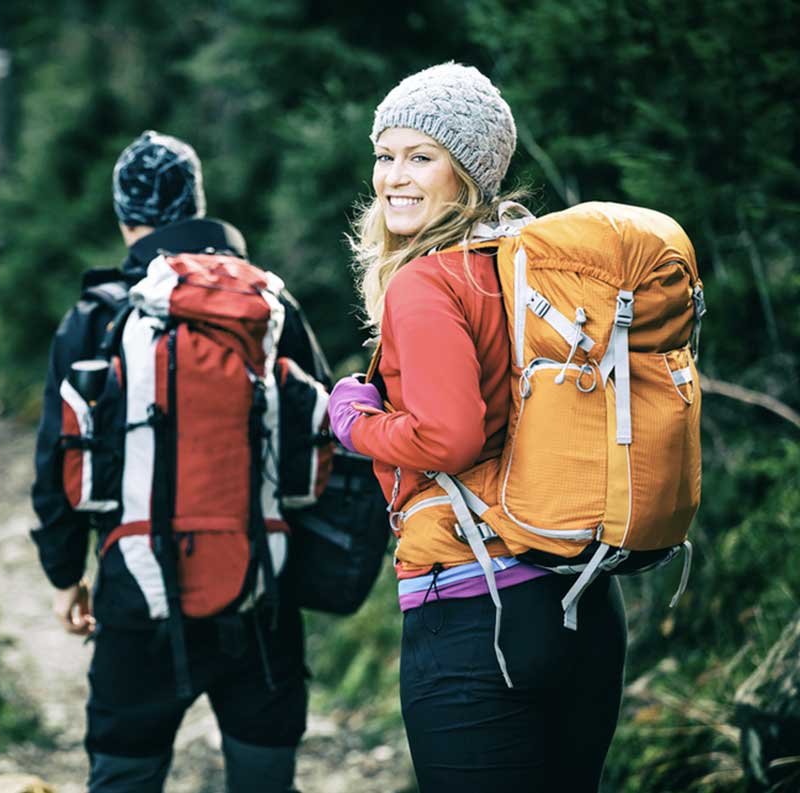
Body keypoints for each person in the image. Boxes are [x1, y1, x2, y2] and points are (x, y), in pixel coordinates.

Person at [326, 63, 627, 792]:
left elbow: (448, 438)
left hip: (476, 613)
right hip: (582, 602)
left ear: (467, 173)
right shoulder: (537, 269)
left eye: (420, 157)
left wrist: (354, 423)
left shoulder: (429, 282)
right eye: (385, 154)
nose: (394, 177)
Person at [31, 130, 330, 793]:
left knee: (125, 773)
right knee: (264, 779)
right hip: (263, 594)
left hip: (137, 592)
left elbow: (56, 462)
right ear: (198, 203)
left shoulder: (97, 315)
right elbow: (324, 439)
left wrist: (64, 575)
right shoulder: (269, 307)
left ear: (123, 216)